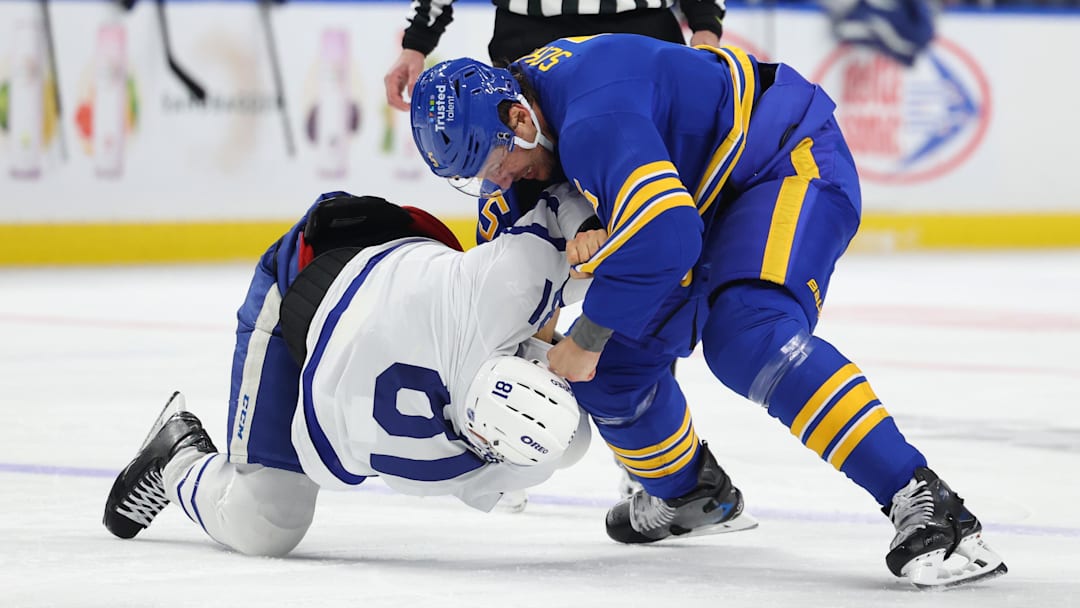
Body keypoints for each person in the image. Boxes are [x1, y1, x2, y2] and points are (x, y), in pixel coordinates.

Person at [408, 34, 1008, 588]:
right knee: (614, 376)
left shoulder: (595, 116)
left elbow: (667, 238)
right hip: (692, 197)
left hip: (777, 159)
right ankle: (694, 495)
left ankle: (926, 501)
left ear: (519, 118)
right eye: (479, 176)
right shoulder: (520, 133)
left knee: (748, 336)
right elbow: (514, 274)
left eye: (496, 163)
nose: (499, 180)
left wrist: (583, 338)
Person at [102, 186, 601, 556]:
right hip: (300, 281)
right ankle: (178, 459)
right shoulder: (451, 461)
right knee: (266, 523)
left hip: (363, 319)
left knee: (267, 525)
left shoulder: (507, 293)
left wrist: (581, 243)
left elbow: (557, 209)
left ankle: (181, 461)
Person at [383, 0, 727, 112]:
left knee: (647, 179)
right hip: (527, 43)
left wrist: (705, 25)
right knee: (531, 185)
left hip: (642, 37)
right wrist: (416, 42)